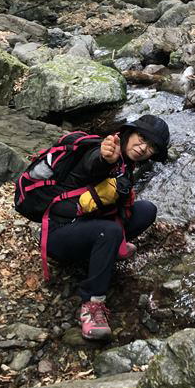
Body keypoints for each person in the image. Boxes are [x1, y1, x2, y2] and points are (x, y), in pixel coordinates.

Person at [45, 115, 170, 340]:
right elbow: (94, 164)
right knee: (109, 231)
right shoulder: (105, 151)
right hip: (59, 234)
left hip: (87, 225)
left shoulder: (128, 163)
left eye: (151, 146)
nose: (143, 148)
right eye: (142, 138)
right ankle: (92, 305)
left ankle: (106, 249)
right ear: (129, 133)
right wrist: (105, 159)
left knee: (146, 210)